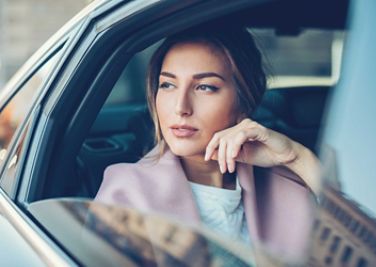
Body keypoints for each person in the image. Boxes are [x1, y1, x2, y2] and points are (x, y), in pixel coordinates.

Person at [95, 26, 321, 261]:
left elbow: (358, 236)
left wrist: (297, 157)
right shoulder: (127, 193)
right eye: (168, 85)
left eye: (204, 87)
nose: (181, 107)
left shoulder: (288, 186)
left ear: (244, 102)